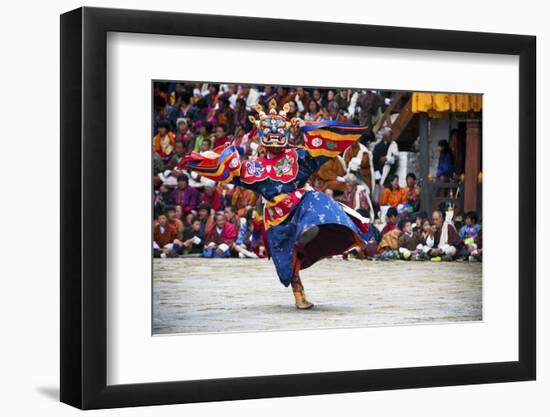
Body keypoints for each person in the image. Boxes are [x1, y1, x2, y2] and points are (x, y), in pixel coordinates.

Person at [182, 99, 374, 309]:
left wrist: (307, 128)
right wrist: (217, 156)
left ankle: (307, 233)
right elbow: (230, 172)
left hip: (301, 204)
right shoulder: (253, 167)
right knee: (287, 260)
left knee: (317, 201)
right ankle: (299, 293)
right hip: (276, 216)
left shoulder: (297, 155)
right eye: (269, 131)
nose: (274, 134)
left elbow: (321, 151)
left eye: (279, 130)